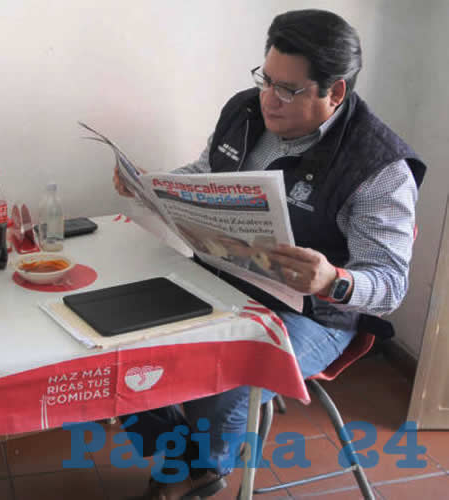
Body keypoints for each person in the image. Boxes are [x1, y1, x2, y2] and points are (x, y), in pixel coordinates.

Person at [113, 10, 426, 499]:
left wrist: (333, 279)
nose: (269, 100)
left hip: (315, 313)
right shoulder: (245, 112)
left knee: (232, 359)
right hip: (224, 276)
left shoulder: (377, 168)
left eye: (289, 90)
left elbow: (389, 284)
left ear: (335, 92)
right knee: (121, 328)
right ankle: (179, 451)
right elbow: (207, 171)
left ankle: (206, 467)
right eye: (266, 79)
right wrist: (156, 185)